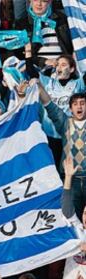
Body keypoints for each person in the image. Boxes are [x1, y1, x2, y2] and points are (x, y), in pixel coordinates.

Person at [38, 85, 86, 221]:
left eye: (83, 103)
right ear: (70, 109)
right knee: (71, 218)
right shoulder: (65, 123)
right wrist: (38, 85)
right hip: (71, 180)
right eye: (75, 104)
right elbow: (49, 105)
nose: (79, 107)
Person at [57, 157, 86, 279]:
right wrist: (68, 177)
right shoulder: (76, 228)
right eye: (84, 212)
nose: (85, 216)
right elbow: (66, 207)